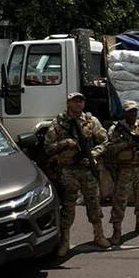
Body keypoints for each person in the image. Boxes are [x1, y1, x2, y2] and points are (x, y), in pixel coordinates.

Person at [44, 92, 110, 255]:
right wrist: (65, 143)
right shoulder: (58, 123)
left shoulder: (91, 122)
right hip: (68, 170)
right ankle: (65, 241)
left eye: (81, 101)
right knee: (68, 206)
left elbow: (105, 141)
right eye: (75, 101)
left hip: (87, 169)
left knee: (94, 203)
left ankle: (99, 235)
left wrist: (93, 154)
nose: (78, 104)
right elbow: (48, 147)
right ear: (68, 103)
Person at [105, 100, 139, 245]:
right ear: (124, 113)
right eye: (129, 111)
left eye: (134, 111)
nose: (133, 114)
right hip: (124, 169)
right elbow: (109, 148)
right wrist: (127, 144)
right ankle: (116, 230)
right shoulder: (116, 129)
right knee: (120, 200)